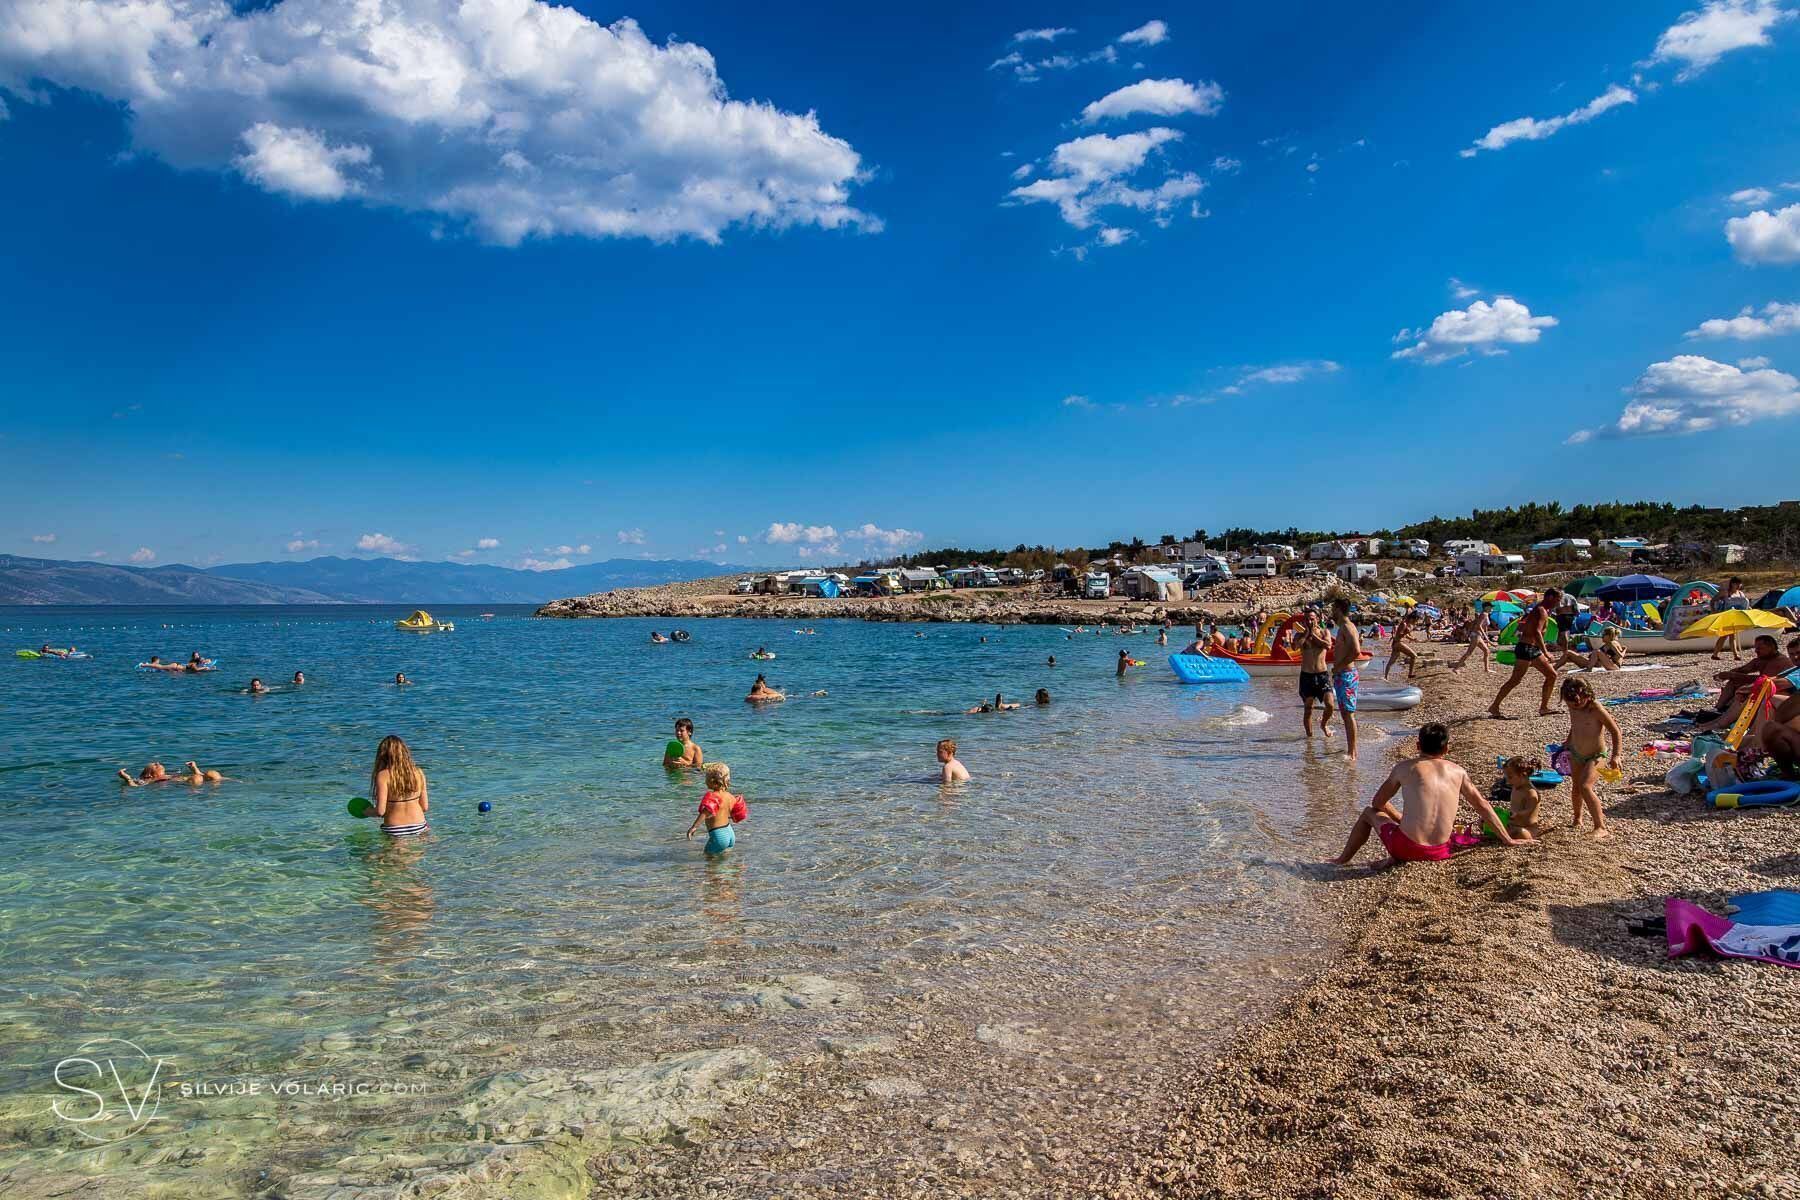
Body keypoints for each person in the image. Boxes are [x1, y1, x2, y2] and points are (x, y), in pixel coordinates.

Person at [1326, 723, 1521, 867]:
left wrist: (1399, 818)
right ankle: (1393, 853)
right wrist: (1507, 839)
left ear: (1418, 746)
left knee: (1368, 812)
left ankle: (1341, 860)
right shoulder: (1459, 772)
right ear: (1446, 748)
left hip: (1406, 849)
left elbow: (1378, 803)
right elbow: (1482, 805)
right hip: (1440, 851)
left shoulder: (1405, 768)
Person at [1559, 678, 1621, 839]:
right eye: (1571, 704)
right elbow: (1575, 725)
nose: (1575, 706)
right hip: (1577, 753)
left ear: (1587, 695)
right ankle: (1577, 818)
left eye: (1579, 703)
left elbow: (1615, 731)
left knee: (1585, 786)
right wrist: (1568, 741)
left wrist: (1616, 756)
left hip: (1597, 755)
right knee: (1576, 788)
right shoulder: (1572, 706)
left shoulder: (1595, 709)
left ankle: (1600, 826)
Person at [1488, 588, 1562, 719]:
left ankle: (1544, 708)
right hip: (1526, 648)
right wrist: (1546, 652)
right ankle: (1494, 706)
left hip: (1532, 649)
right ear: (1550, 597)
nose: (1558, 603)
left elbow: (1523, 626)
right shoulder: (1541, 610)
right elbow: (1537, 632)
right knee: (1515, 680)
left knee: (1552, 675)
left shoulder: (1540, 610)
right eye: (1557, 600)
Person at [1712, 634, 1791, 712]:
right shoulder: (1763, 659)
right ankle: (1718, 708)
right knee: (1733, 682)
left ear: (1771, 647)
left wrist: (1733, 675)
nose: (1756, 651)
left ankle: (1724, 710)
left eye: (1759, 648)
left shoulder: (1779, 661)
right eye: (1756, 648)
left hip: (1779, 692)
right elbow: (1743, 669)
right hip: (1765, 686)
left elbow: (1763, 680)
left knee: (1742, 687)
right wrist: (1726, 674)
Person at [369, 735, 429, 837]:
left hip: (395, 828)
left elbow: (380, 811)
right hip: (420, 825)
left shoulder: (383, 775)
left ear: (382, 756)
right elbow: (425, 807)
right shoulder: (418, 772)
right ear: (405, 752)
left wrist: (366, 812)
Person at [686, 762, 747, 854]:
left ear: (711, 781)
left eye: (706, 778)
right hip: (730, 832)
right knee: (724, 857)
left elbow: (705, 813)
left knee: (708, 856)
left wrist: (694, 827)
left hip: (719, 835)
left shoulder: (713, 796)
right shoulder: (730, 796)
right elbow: (733, 813)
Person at [1330, 598, 1363, 761]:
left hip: (1347, 674)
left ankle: (1352, 752)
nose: (1331, 611)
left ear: (1338, 609)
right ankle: (1351, 749)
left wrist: (1339, 666)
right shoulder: (1343, 627)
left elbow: (1356, 651)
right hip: (1342, 674)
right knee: (1345, 714)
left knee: (1349, 714)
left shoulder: (1347, 627)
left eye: (1333, 608)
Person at [1296, 609, 1335, 739]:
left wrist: (1314, 635)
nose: (1309, 621)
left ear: (1317, 619)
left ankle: (1323, 724)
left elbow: (1328, 645)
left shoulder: (1324, 632)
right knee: (1308, 708)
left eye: (1312, 619)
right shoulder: (1300, 635)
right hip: (1307, 675)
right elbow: (1296, 646)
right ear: (1303, 621)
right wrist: (1307, 634)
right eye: (1307, 619)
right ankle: (1309, 738)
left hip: (1322, 674)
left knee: (1330, 705)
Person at [1497, 756, 1546, 840]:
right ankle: (1500, 833)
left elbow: (1530, 809)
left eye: (1510, 777)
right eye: (1506, 777)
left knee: (1518, 832)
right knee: (1483, 821)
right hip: (1512, 824)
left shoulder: (1530, 792)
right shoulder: (1515, 787)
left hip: (1527, 828)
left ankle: (1500, 834)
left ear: (1522, 775)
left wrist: (1517, 814)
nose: (1507, 781)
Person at [1558, 625, 1625, 672]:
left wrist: (1624, 650)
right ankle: (1555, 667)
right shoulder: (1608, 644)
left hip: (1614, 666)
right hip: (1596, 663)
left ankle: (1589, 668)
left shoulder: (1612, 643)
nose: (1602, 636)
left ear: (1609, 636)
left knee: (1596, 651)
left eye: (1603, 635)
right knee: (1568, 653)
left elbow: (1620, 656)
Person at [1712, 576, 1750, 660]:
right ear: (1732, 584)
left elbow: (1745, 605)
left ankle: (1715, 654)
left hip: (1735, 617)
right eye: (1736, 584)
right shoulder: (1725, 592)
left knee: (1728, 636)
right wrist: (1714, 611)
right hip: (1725, 616)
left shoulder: (1740, 593)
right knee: (1728, 635)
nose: (1738, 585)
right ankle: (1735, 655)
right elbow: (1713, 601)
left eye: (1739, 584)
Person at [1449, 607, 1493, 674]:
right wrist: (1486, 638)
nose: (1492, 609)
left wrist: (1468, 633)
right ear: (1487, 607)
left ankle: (1487, 669)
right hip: (1476, 635)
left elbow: (1473, 624)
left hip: (1477, 635)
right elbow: (1478, 626)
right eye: (1491, 607)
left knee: (1486, 651)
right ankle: (1456, 668)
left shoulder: (1483, 615)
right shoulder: (1484, 614)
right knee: (1469, 652)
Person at [1383, 614, 1419, 681]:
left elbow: (1404, 635)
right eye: (1415, 620)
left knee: (1391, 662)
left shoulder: (1405, 624)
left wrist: (1412, 639)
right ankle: (1410, 674)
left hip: (1395, 643)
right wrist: (1405, 632)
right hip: (1398, 643)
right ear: (1411, 619)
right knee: (1414, 656)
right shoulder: (1404, 624)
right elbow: (1400, 634)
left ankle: (1385, 677)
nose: (1415, 622)